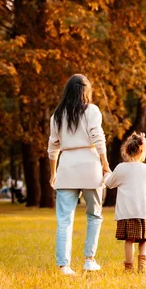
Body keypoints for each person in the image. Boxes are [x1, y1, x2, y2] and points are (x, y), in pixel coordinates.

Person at [48, 74, 111, 275]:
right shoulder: (92, 110)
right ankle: (89, 260)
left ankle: (64, 266)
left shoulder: (57, 115)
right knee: (94, 215)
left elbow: (53, 147)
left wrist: (52, 173)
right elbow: (98, 138)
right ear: (86, 91)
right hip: (90, 167)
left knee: (64, 220)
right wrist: (105, 164)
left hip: (66, 167)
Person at [104, 132, 146, 272]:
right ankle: (143, 265)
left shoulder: (121, 168)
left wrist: (106, 173)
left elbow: (109, 183)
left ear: (126, 150)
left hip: (126, 212)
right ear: (142, 151)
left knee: (129, 240)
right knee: (143, 239)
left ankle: (128, 267)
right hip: (143, 211)